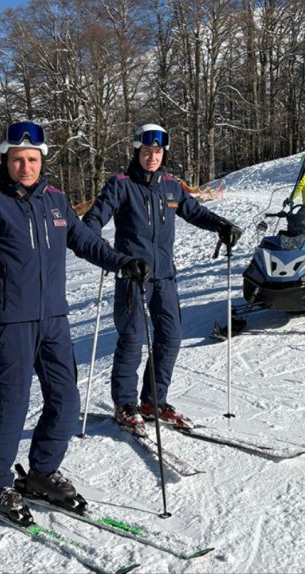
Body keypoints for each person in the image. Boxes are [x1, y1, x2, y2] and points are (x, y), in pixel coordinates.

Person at [0, 121, 149, 523]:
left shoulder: (55, 200)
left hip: (55, 318)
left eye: (32, 159)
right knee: (11, 403)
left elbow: (85, 241)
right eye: (17, 160)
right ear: (5, 160)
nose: (25, 167)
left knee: (66, 399)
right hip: (11, 320)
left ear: (42, 160)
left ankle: (42, 471)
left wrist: (122, 262)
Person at [82, 123, 242, 435]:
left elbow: (195, 212)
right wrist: (104, 251)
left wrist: (221, 224)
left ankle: (153, 401)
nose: (152, 157)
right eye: (146, 151)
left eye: (157, 152)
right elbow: (93, 220)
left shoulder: (170, 186)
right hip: (133, 275)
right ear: (136, 151)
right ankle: (125, 404)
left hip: (165, 276)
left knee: (170, 337)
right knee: (133, 339)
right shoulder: (121, 184)